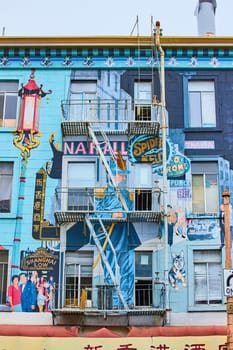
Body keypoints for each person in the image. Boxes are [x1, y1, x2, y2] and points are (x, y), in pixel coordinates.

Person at [93, 154, 141, 309]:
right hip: (108, 235)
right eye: (120, 175)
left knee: (128, 272)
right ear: (112, 175)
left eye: (122, 175)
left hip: (126, 235)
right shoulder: (101, 192)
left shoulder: (128, 194)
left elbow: (131, 212)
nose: (122, 178)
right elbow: (96, 214)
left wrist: (124, 214)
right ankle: (113, 302)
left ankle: (127, 301)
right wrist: (110, 215)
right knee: (110, 273)